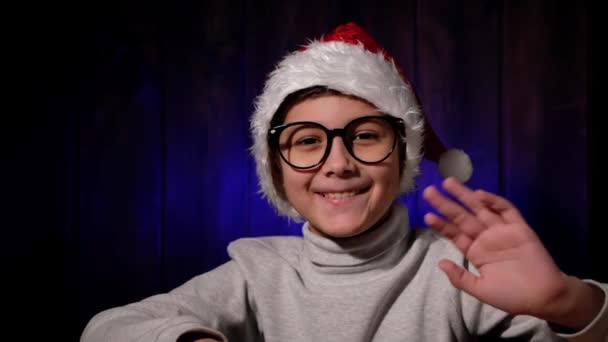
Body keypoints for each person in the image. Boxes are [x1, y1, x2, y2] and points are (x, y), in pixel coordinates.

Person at [80, 22, 608, 342]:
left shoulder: (458, 269)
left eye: (365, 136)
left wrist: (568, 303)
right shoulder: (256, 271)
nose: (337, 164)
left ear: (402, 157)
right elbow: (106, 329)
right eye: (308, 141)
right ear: (278, 169)